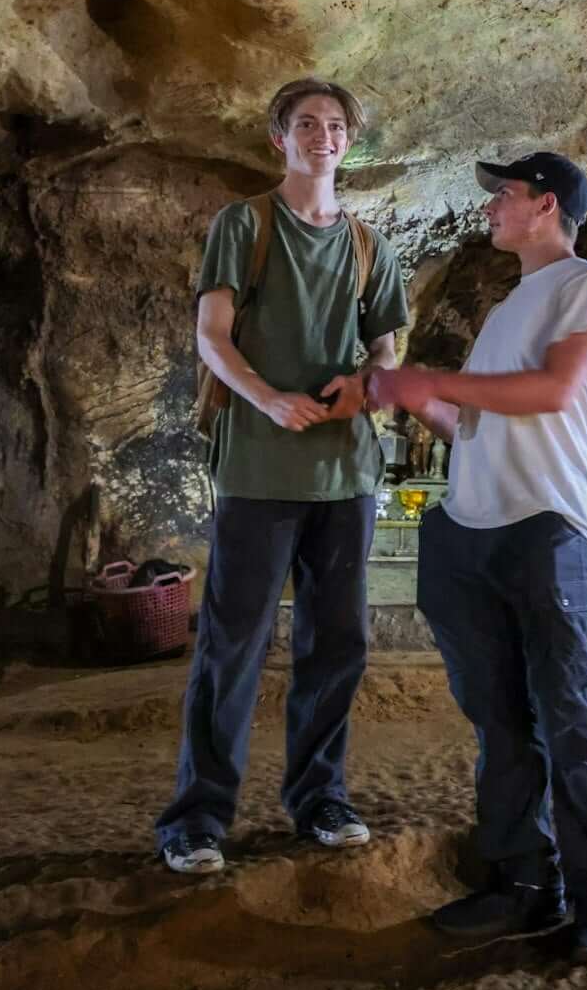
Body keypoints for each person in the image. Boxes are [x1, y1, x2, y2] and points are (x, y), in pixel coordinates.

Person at [367, 150, 587, 959]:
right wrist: (415, 397)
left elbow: (555, 391)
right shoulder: (508, 307)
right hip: (471, 529)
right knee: (501, 724)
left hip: (545, 527)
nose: (490, 207)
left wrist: (431, 380)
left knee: (567, 717)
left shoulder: (584, 285)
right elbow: (477, 428)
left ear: (547, 205)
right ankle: (523, 881)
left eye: (505, 194)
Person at [155, 78, 409, 875]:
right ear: (280, 138)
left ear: (349, 141)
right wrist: (268, 399)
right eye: (305, 124)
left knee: (336, 642)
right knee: (232, 644)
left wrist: (362, 389)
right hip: (259, 469)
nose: (321, 136)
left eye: (334, 125)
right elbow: (212, 334)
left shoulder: (370, 245)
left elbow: (386, 349)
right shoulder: (246, 225)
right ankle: (199, 818)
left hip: (345, 472)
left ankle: (320, 797)